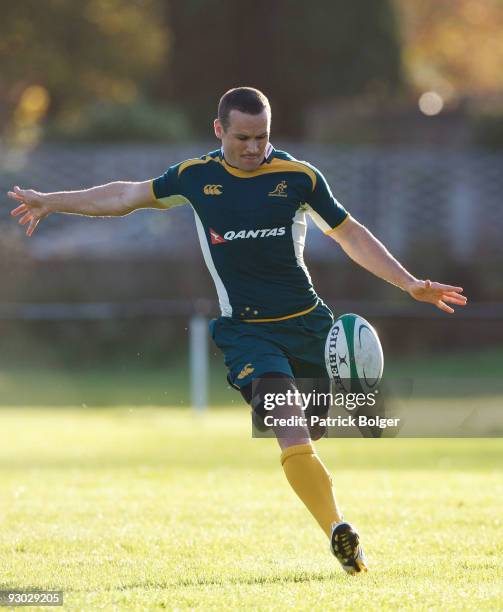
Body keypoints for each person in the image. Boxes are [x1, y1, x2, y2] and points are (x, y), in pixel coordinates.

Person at [8, 86, 467, 575]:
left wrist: (410, 283)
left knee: (311, 429)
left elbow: (349, 233)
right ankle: (339, 532)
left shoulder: (299, 177)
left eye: (262, 137)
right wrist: (53, 201)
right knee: (290, 430)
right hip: (247, 333)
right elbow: (124, 195)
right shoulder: (195, 176)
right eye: (243, 137)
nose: (253, 148)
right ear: (219, 130)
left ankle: (333, 487)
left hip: (310, 327)